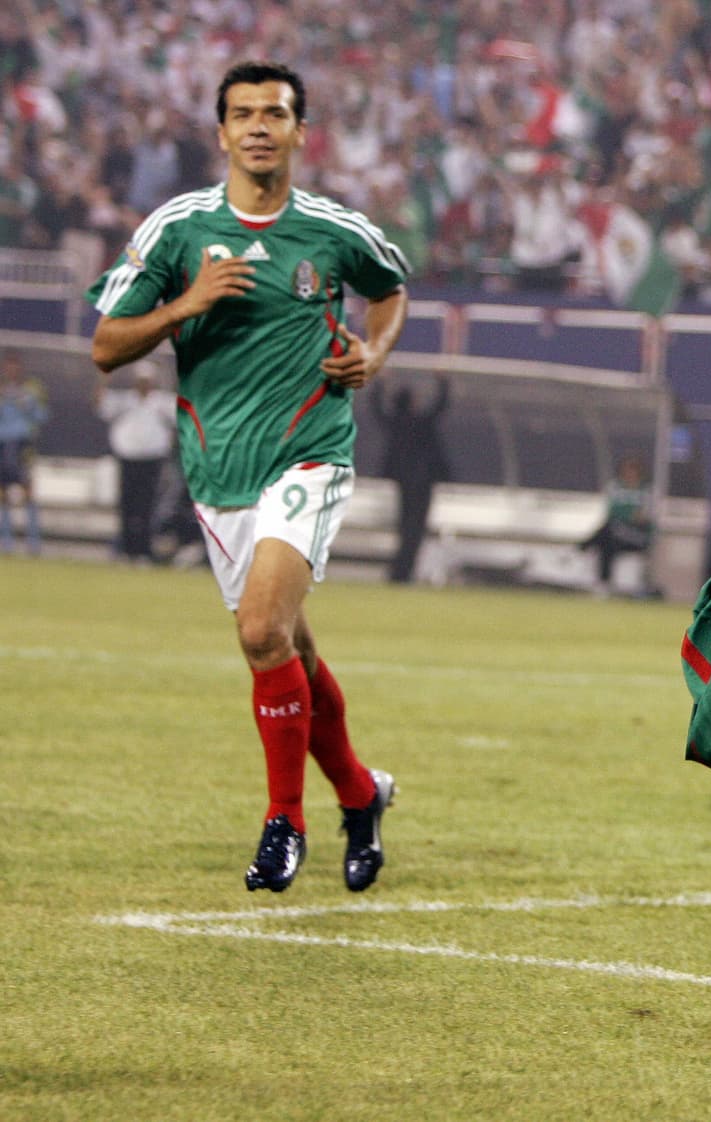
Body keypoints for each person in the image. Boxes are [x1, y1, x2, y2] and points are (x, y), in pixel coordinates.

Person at [85, 60, 410, 895]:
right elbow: (107, 346)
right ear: (221, 132)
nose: (260, 126)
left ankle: (283, 823)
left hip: (310, 449)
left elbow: (390, 287)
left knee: (262, 629)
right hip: (216, 468)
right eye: (244, 114)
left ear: (302, 132)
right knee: (289, 645)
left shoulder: (334, 229)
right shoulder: (178, 229)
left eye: (276, 113)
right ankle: (360, 792)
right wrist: (185, 305)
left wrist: (370, 354)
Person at [370, 375, 451, 584]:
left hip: (403, 481)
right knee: (415, 529)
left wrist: (379, 385)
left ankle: (399, 571)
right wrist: (444, 383)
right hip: (424, 482)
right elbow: (439, 408)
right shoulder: (421, 422)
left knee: (405, 526)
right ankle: (403, 572)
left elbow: (377, 410)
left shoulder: (395, 422)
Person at [95, 360, 178, 563]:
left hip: (152, 460)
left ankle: (144, 550)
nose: (144, 385)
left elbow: (180, 414)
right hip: (128, 458)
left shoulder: (161, 402)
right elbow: (101, 405)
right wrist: (102, 379)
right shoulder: (125, 400)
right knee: (127, 505)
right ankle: (127, 549)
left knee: (148, 506)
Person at [580, 454, 654, 595]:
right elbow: (612, 511)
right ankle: (604, 585)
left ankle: (583, 546)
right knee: (608, 544)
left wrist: (625, 515)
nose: (629, 473)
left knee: (609, 530)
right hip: (615, 534)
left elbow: (641, 518)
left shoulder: (647, 491)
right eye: (626, 470)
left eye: (633, 470)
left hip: (638, 536)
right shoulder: (615, 487)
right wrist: (627, 514)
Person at [0, 349, 48, 555]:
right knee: (2, 495)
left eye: (14, 367)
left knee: (28, 493)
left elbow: (42, 416)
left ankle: (34, 543)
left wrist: (26, 404)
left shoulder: (31, 390)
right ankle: (6, 542)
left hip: (22, 446)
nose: (11, 370)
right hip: (2, 445)